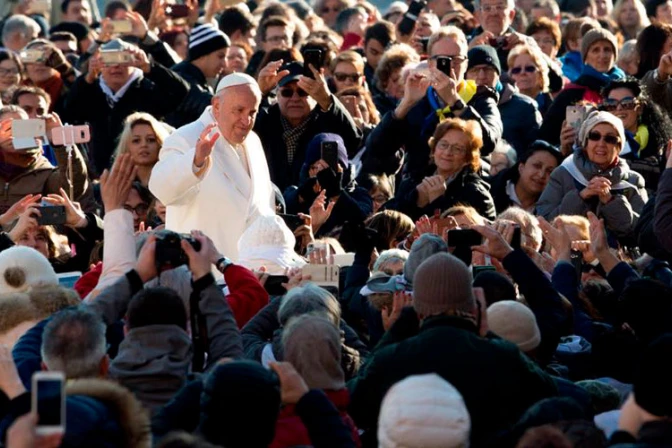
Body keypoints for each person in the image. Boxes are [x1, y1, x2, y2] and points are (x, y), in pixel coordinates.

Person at [348, 251, 558, 447]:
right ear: (473, 305)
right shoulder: (502, 355)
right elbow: (552, 395)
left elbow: (353, 402)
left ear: (417, 308)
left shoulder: (393, 358)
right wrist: (485, 332)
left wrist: (394, 333)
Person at [149, 73, 275, 264]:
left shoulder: (254, 141)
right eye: (239, 110)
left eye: (252, 113)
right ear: (217, 106)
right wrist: (196, 161)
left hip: (252, 273)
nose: (246, 121)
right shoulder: (186, 137)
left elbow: (264, 206)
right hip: (204, 274)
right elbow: (161, 188)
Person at [366, 26, 502, 179]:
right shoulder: (419, 100)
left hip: (466, 188)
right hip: (419, 188)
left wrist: (454, 101)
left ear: (466, 65)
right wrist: (406, 103)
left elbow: (489, 143)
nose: (450, 66)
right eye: (443, 60)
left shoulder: (481, 97)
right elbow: (376, 150)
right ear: (430, 64)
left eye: (457, 60)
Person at [63, 38, 189, 176]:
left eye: (123, 58)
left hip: (144, 175)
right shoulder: (91, 91)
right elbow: (70, 111)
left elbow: (181, 92)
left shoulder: (147, 89)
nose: (116, 66)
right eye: (109, 60)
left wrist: (149, 67)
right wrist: (88, 78)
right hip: (103, 174)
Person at [537, 111, 648, 242]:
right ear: (585, 142)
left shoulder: (633, 181)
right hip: (569, 256)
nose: (601, 143)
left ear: (618, 147)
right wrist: (581, 196)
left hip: (617, 259)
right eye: (595, 136)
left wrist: (610, 201)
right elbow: (543, 223)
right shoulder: (564, 173)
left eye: (610, 139)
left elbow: (644, 232)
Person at [253, 60, 362, 191]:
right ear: (277, 95)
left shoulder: (327, 123)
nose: (295, 98)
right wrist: (258, 94)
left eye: (302, 92)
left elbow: (353, 140)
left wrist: (327, 100)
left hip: (315, 206)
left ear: (314, 95)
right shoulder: (265, 121)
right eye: (287, 92)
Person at [389, 118, 496, 221]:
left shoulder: (475, 192)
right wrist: (415, 199)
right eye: (443, 145)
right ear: (434, 149)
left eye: (457, 149)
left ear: (468, 158)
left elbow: (483, 230)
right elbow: (389, 220)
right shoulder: (414, 178)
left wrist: (438, 202)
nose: (448, 152)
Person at [540, 28, 625, 146]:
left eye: (607, 49)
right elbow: (547, 136)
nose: (602, 55)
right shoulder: (572, 93)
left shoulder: (627, 89)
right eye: (595, 50)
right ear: (585, 57)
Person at [0, 105, 90, 215]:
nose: (14, 135)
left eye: (22, 128)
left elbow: (74, 187)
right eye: (8, 129)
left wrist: (61, 141)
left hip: (33, 231)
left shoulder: (44, 172)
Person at [465, 45, 542, 154]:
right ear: (466, 75)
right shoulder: (459, 106)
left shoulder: (525, 107)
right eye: (475, 70)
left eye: (488, 69)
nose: (482, 76)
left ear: (498, 74)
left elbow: (535, 152)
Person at [600, 78, 672, 190]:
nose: (619, 109)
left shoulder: (660, 146)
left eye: (627, 103)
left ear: (640, 108)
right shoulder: (595, 143)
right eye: (611, 104)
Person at [168, 24, 231, 127]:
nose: (225, 64)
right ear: (202, 55)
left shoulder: (194, 76)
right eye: (220, 56)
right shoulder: (182, 78)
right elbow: (208, 104)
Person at [490, 140, 562, 213]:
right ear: (521, 167)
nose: (541, 175)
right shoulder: (491, 190)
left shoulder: (550, 210)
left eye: (549, 171)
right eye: (537, 166)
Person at [467, 0, 535, 71]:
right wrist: (469, 54)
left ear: (511, 15)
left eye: (500, 7)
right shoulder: (463, 44)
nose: (493, 13)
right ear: (478, 16)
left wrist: (529, 52)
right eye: (487, 8)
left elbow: (544, 74)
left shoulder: (526, 43)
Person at [113, 112, 172, 186]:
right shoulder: (117, 187)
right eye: (136, 141)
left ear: (160, 144)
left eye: (151, 140)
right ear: (126, 146)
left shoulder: (173, 181)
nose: (144, 145)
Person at [372, 44, 421, 116]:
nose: (402, 85)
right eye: (395, 80)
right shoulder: (377, 106)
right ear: (385, 83)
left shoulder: (423, 103)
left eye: (406, 78)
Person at [508, 44, 554, 116]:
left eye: (529, 68)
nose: (523, 73)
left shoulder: (555, 109)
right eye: (517, 70)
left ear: (541, 74)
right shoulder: (504, 108)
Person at [363, 21, 396, 91]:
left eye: (385, 54)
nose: (379, 59)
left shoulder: (402, 74)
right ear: (364, 48)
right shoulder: (355, 74)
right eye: (374, 52)